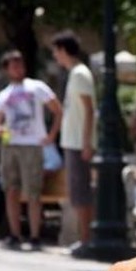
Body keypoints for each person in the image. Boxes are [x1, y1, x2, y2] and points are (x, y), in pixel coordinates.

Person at [0, 49, 62, 251]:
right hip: (10, 144)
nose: (18, 68)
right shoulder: (4, 95)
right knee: (11, 189)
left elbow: (57, 110)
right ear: (7, 70)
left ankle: (35, 235)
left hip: (32, 145)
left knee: (33, 192)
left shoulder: (37, 87)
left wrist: (52, 134)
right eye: (13, 65)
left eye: (20, 64)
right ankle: (15, 234)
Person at [51, 29, 97, 254]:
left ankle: (87, 240)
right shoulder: (75, 74)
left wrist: (87, 142)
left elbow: (89, 110)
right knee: (77, 192)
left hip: (79, 142)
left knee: (81, 193)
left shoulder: (80, 74)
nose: (55, 56)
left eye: (56, 51)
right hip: (74, 141)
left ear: (62, 50)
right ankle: (84, 238)